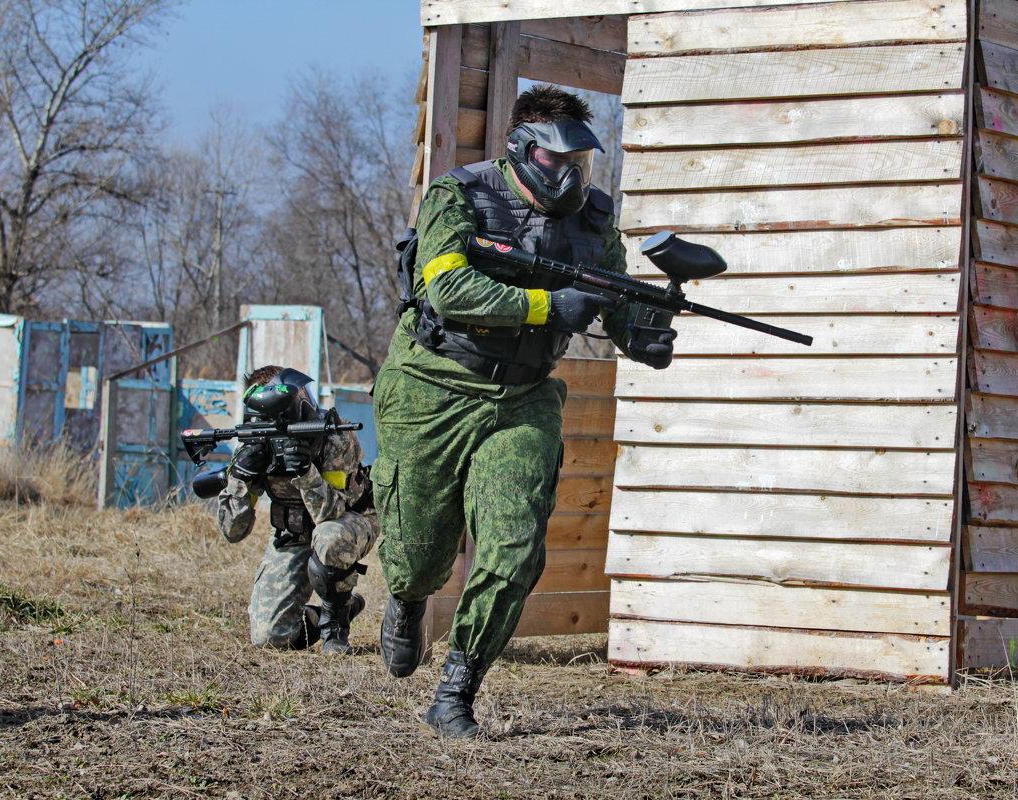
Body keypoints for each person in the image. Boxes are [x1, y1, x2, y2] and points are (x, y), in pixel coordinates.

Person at [372, 85, 677, 737]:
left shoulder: (593, 220)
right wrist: (545, 306)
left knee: (514, 544)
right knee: (418, 548)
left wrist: (643, 335)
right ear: (521, 150)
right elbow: (448, 286)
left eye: (580, 162)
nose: (569, 175)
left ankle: (456, 690)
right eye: (556, 161)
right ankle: (405, 596)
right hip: (434, 383)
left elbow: (614, 297)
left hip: (525, 395)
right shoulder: (460, 196)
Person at [217, 365, 377, 655]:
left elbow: (333, 514)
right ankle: (332, 612)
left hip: (350, 524)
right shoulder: (256, 442)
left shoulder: (335, 436)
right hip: (293, 534)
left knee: (329, 538)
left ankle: (335, 627)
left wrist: (305, 471)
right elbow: (233, 532)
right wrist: (241, 477)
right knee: (269, 636)